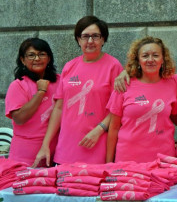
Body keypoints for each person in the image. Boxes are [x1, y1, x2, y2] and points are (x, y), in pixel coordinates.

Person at [33, 16, 123, 166]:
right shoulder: (69, 66)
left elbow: (117, 109)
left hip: (97, 144)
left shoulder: (114, 66)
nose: (90, 41)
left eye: (95, 36)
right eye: (85, 36)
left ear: (103, 39)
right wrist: (46, 144)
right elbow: (59, 107)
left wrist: (99, 130)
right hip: (66, 148)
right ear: (78, 39)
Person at [105, 37, 177, 163]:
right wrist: (108, 163)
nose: (150, 60)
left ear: (163, 59)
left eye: (155, 55)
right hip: (128, 158)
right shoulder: (123, 85)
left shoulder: (174, 84)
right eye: (145, 56)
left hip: (163, 159)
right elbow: (114, 127)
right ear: (138, 60)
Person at [5, 38, 60, 165]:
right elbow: (19, 119)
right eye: (31, 55)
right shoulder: (18, 85)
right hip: (25, 156)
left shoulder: (60, 81)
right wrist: (40, 92)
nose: (37, 59)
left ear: (49, 58)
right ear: (22, 60)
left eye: (42, 54)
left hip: (55, 154)